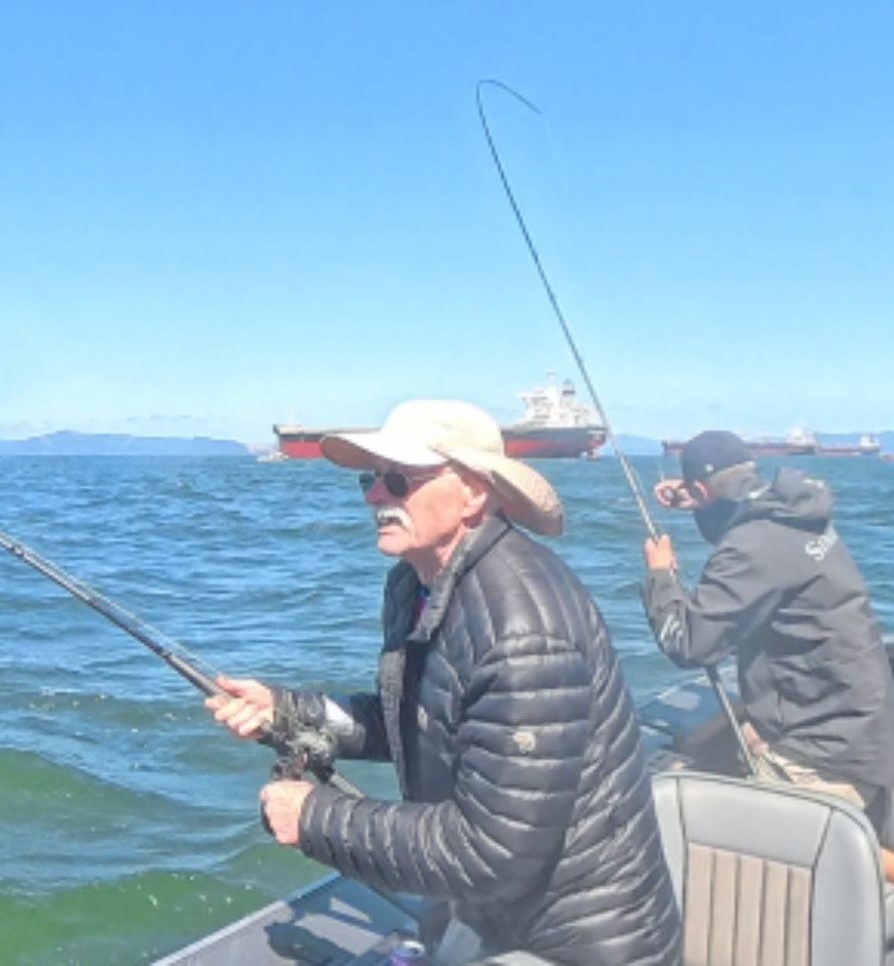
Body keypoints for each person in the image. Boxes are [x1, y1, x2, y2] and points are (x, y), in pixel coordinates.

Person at [208, 400, 681, 964]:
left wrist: (314, 817)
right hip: (498, 916)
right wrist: (287, 712)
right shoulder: (418, 584)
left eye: (398, 480)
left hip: (574, 944)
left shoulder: (523, 632)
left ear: (473, 493)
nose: (375, 496)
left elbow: (494, 850)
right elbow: (417, 719)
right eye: (370, 479)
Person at [643, 430, 894, 965]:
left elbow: (689, 643)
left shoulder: (752, 545)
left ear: (705, 489)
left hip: (826, 753)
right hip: (868, 731)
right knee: (746, 745)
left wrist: (661, 577)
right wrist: (700, 504)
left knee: (703, 837)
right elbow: (748, 556)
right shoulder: (796, 517)